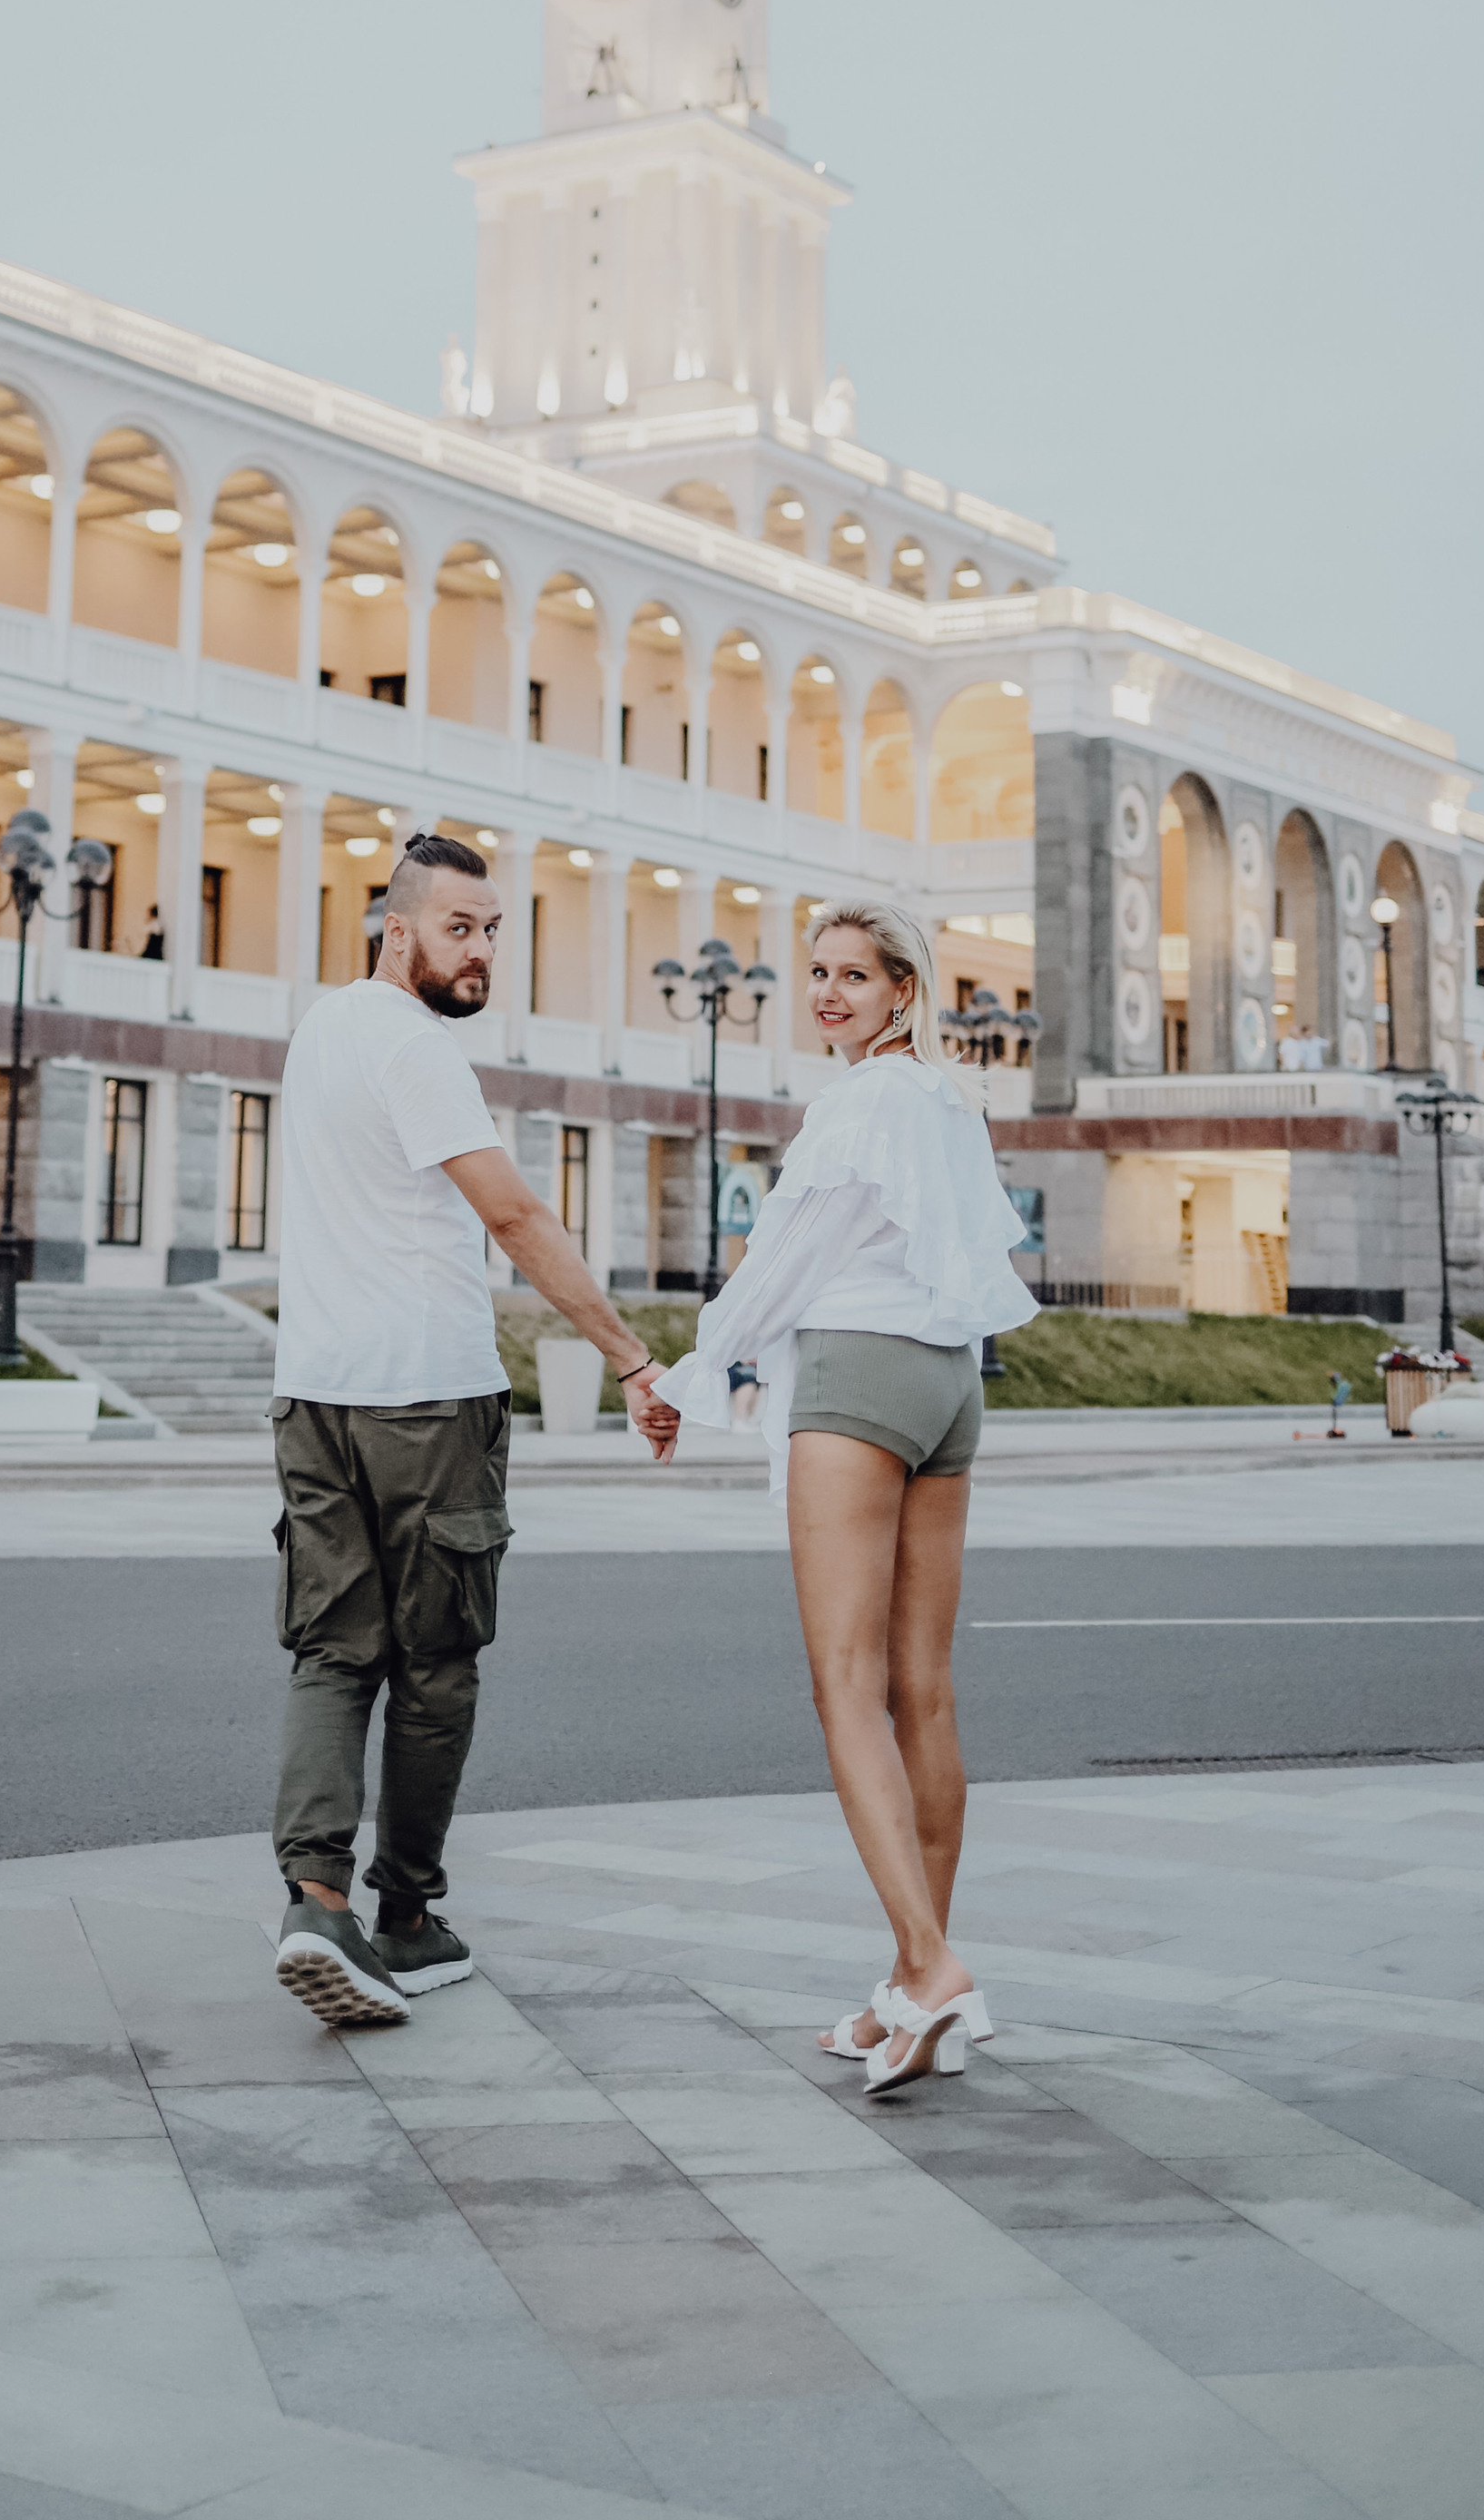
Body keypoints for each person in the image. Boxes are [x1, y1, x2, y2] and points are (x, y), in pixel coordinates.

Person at [270, 829, 677, 2031]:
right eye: (460, 926)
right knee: (436, 1663)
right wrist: (629, 1356)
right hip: (428, 1400)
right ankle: (401, 1915)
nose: (482, 948)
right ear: (397, 929)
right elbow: (514, 1213)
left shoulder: (321, 1027)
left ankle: (313, 1905)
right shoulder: (414, 1047)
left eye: (495, 928)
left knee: (334, 1650)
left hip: (316, 1393)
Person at [653, 897, 1035, 2094]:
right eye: (816, 974)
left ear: (903, 992)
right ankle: (907, 1983)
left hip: (863, 1374)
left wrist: (683, 1374)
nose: (827, 994)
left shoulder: (860, 1103)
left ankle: (931, 1967)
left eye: (853, 977)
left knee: (847, 1690)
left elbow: (782, 1265)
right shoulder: (948, 1104)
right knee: (926, 1693)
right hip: (949, 1388)